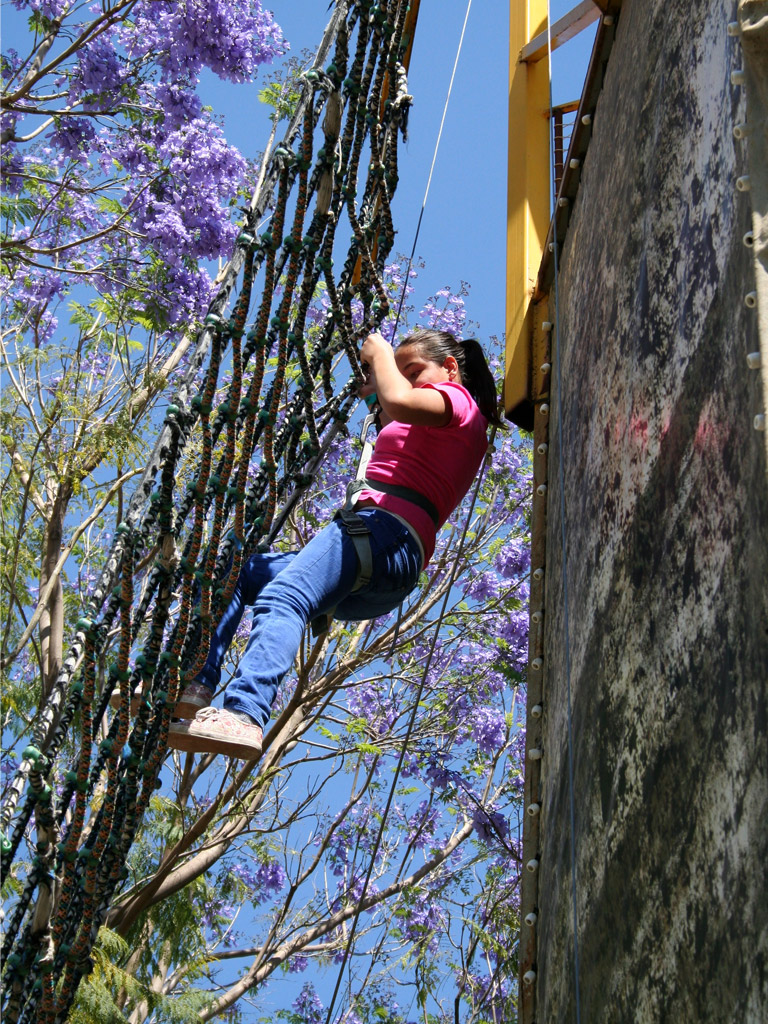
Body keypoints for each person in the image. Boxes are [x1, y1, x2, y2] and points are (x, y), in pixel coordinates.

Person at [168, 328, 502, 759]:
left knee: (285, 596)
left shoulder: (458, 401)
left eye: (414, 370)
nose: (401, 380)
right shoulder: (433, 422)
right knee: (240, 571)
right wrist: (373, 392)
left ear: (450, 369)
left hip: (384, 533)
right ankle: (190, 684)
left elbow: (398, 402)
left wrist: (381, 351)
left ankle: (244, 715)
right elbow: (392, 412)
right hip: (384, 567)